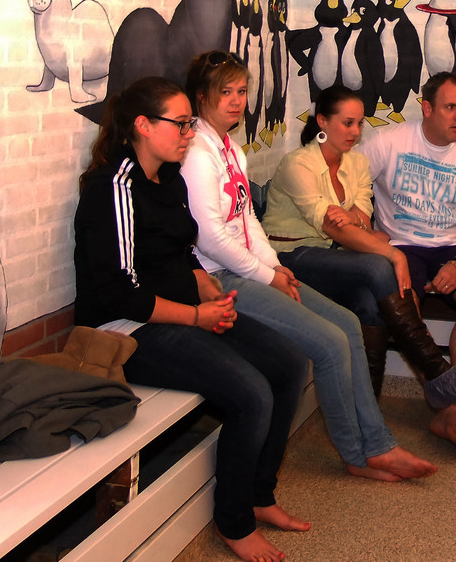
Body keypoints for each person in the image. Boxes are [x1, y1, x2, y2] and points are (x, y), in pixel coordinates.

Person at [73, 77, 309, 562]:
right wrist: (196, 316)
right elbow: (120, 294)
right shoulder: (113, 187)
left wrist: (201, 280)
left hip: (183, 314)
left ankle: (259, 494)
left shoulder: (169, 176)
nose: (189, 133)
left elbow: (179, 246)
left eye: (189, 124)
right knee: (251, 394)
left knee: (288, 363)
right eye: (180, 124)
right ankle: (234, 522)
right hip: (129, 330)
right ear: (143, 125)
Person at [180, 51, 437, 483]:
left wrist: (273, 268)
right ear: (201, 96)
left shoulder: (231, 150)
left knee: (348, 323)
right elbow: (210, 239)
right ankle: (358, 454)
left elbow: (248, 220)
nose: (237, 101)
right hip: (218, 278)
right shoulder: (196, 153)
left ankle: (378, 444)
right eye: (226, 92)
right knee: (330, 342)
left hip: (251, 269)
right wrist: (267, 275)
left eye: (241, 91)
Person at [262, 85, 456, 450]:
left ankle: (366, 410)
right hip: (290, 256)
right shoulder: (298, 164)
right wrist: (391, 251)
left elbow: (361, 216)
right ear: (322, 121)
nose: (355, 132)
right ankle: (437, 371)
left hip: (333, 255)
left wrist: (352, 220)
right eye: (347, 123)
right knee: (377, 267)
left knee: (371, 305)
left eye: (359, 123)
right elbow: (334, 226)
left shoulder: (355, 163)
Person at [361, 71, 456, 459]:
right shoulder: (388, 142)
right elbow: (348, 185)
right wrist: (367, 228)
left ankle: (451, 411)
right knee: (404, 300)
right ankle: (442, 391)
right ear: (427, 108)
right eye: (450, 107)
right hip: (401, 244)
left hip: (452, 245)